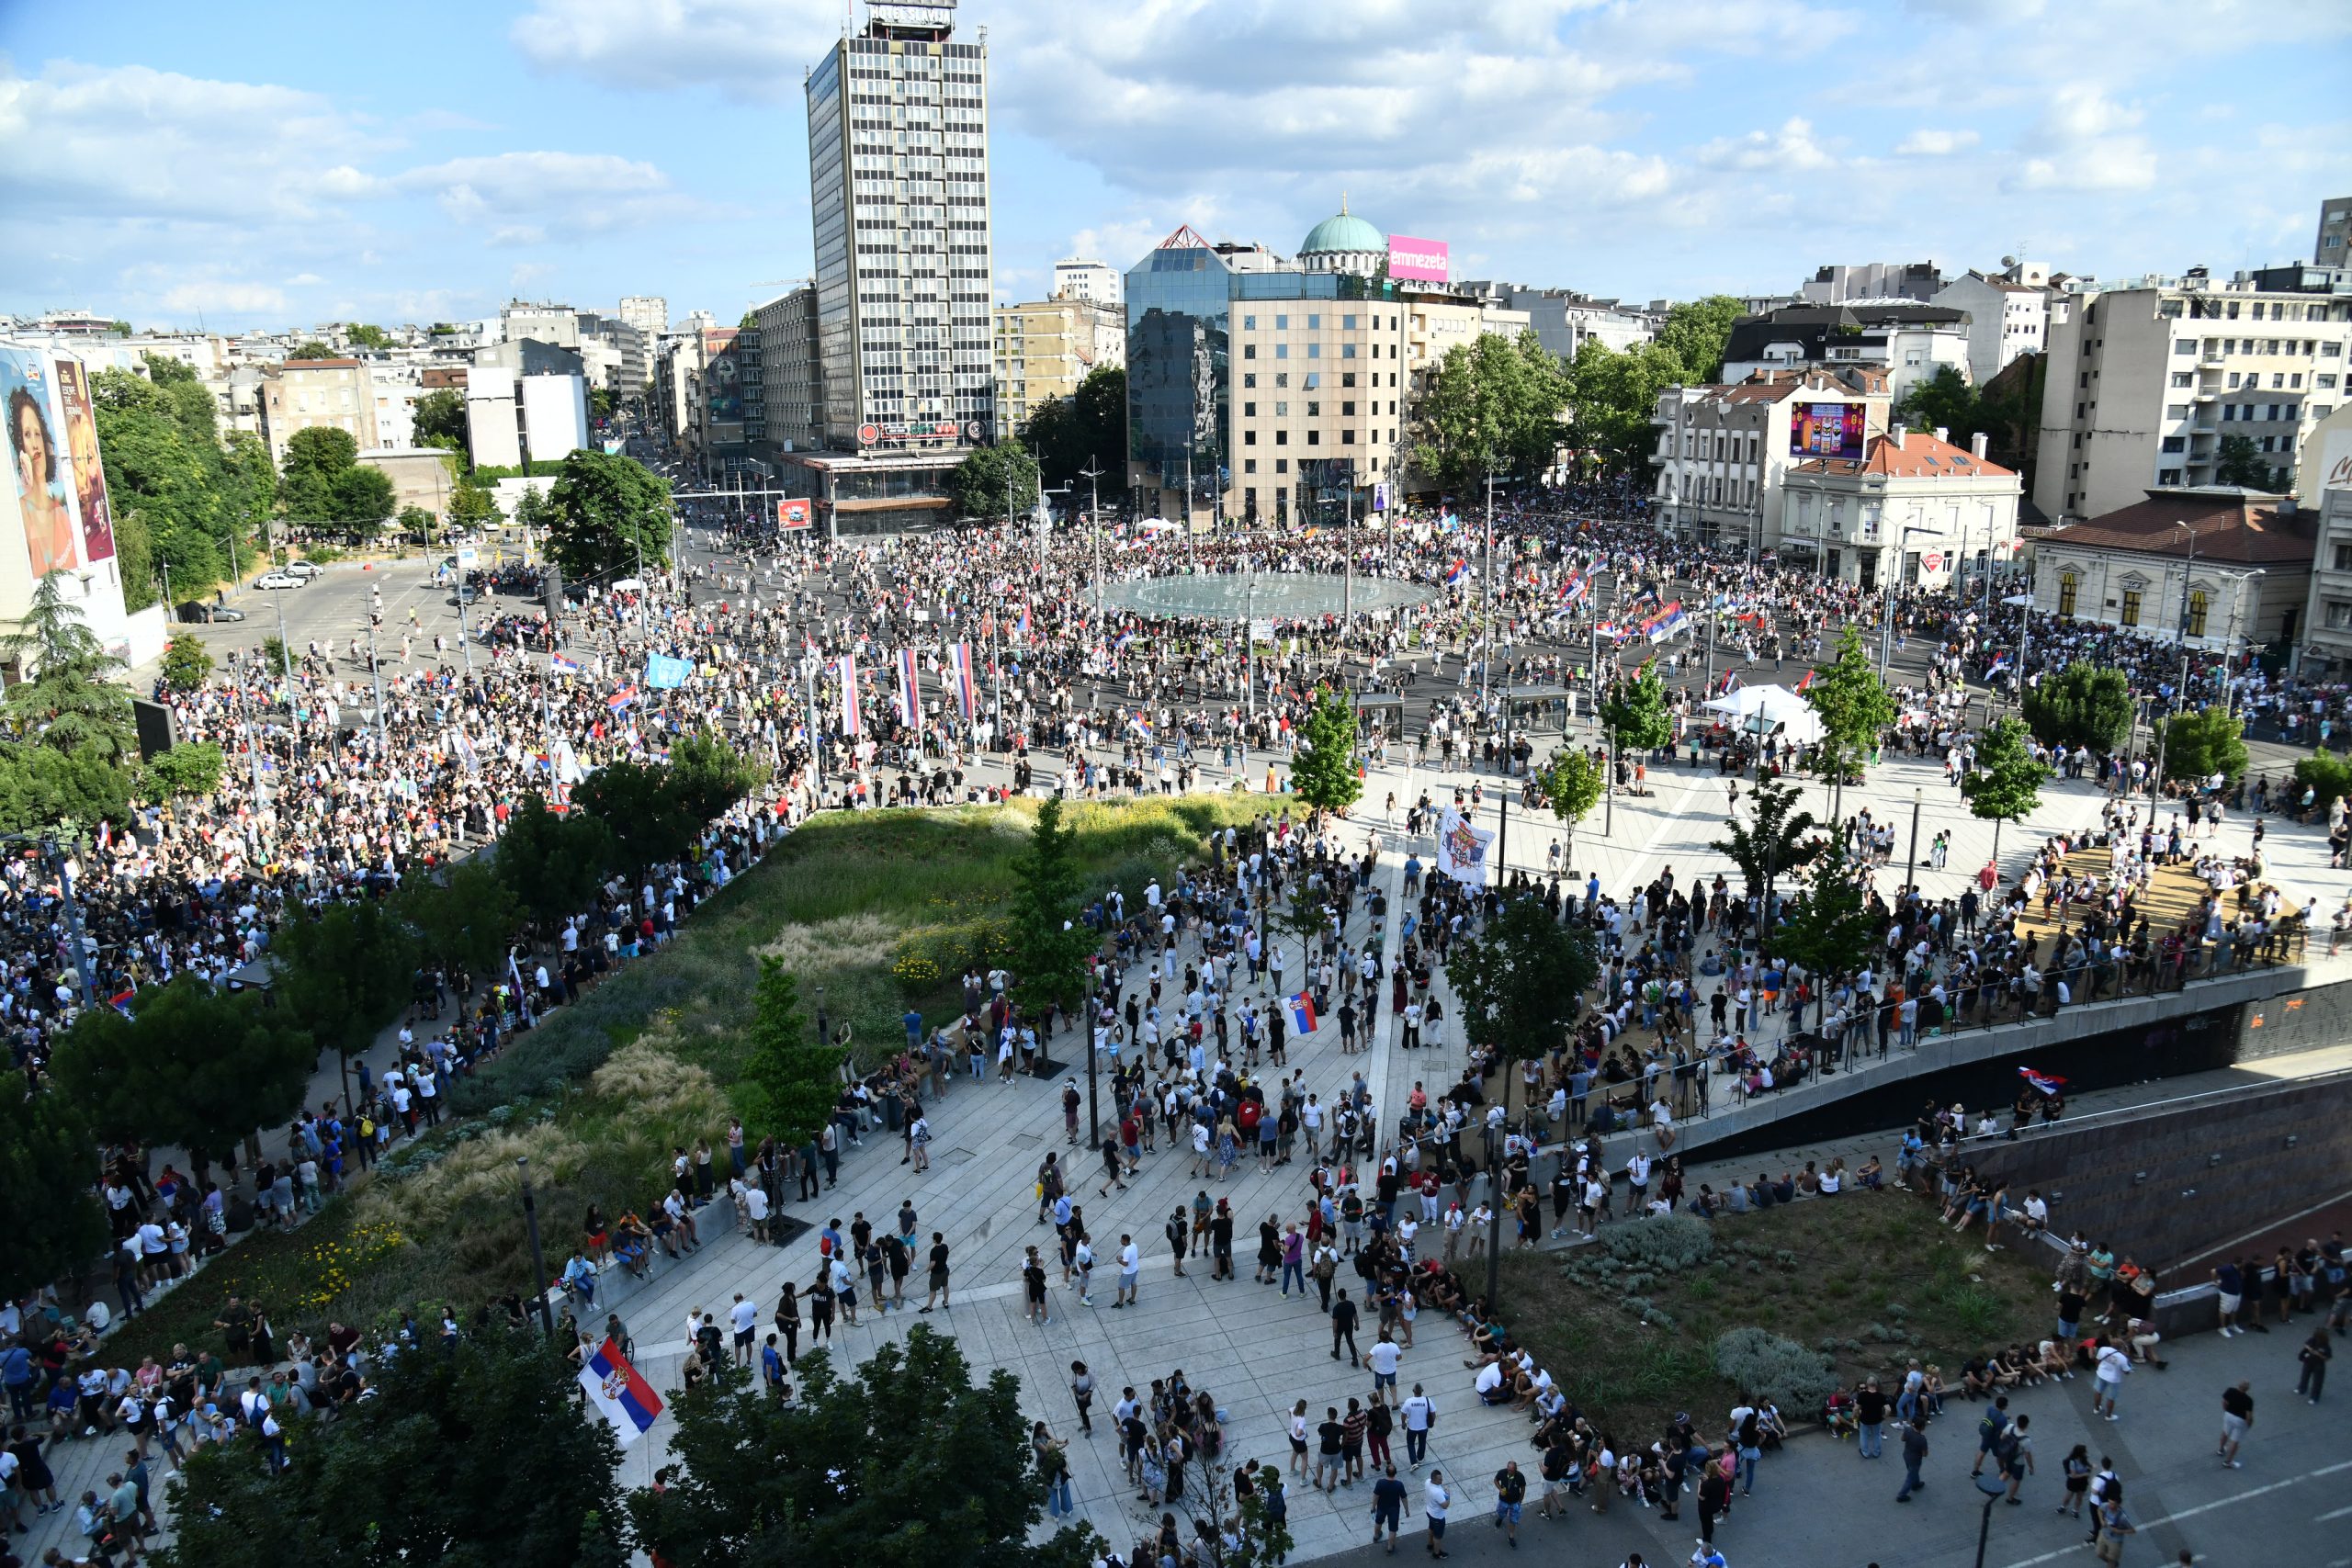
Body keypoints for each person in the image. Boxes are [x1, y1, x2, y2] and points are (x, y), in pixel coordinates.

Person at [1372, 1462, 1411, 1552]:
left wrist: (1373, 1507)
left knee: (1378, 1521)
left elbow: (1376, 1496)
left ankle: (1376, 1536)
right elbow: (1404, 1498)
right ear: (1395, 1473)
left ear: (1386, 1472)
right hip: (1394, 1510)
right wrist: (1407, 1510)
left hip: (1381, 1507)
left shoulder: (1380, 1483)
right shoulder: (1399, 1485)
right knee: (1392, 1529)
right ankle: (1390, 1547)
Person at [2217, 1380, 2252, 1468]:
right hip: (2240, 1420)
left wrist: (2226, 1411)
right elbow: (2248, 1416)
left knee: (2225, 1432)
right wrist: (2248, 1425)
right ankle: (2228, 1461)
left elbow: (2224, 1402)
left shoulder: (2230, 1391)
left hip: (2228, 1415)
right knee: (2235, 1441)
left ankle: (2221, 1450)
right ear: (2247, 1389)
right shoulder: (2248, 1400)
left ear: (2238, 1385)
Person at [1490, 1460, 1525, 1548]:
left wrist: (1520, 1500)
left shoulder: (1520, 1476)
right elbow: (1495, 1480)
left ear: (1515, 1470)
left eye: (1512, 1470)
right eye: (1508, 1469)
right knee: (1501, 1512)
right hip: (1503, 1501)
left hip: (1514, 1502)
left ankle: (1511, 1536)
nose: (1509, 1472)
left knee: (1513, 1520)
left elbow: (1523, 1488)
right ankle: (1501, 1518)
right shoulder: (1502, 1473)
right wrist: (1500, 1489)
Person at [1895, 1415, 1928, 1502]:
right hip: (1915, 1460)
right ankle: (1901, 1495)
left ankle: (1916, 1484)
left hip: (1906, 1455)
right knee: (1910, 1476)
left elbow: (1902, 1439)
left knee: (1912, 1471)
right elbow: (1924, 1454)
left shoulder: (1908, 1430)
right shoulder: (1922, 1439)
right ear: (1922, 1427)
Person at [2296, 1323, 2331, 1403]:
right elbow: (2306, 1345)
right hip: (2308, 1361)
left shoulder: (2326, 1346)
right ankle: (2301, 1389)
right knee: (2304, 1376)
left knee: (2317, 1381)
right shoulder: (2312, 1340)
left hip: (2318, 1365)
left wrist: (2319, 1354)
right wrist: (2310, 1349)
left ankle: (2314, 1397)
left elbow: (2327, 1358)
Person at [1422, 1468, 1450, 1559]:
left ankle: (1430, 1545)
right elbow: (1445, 1505)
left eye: (1441, 1478)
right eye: (1439, 1479)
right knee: (1437, 1536)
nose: (1442, 1481)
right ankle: (1437, 1553)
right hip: (1438, 1517)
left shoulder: (1427, 1482)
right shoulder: (1437, 1492)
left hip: (1430, 1512)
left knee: (1431, 1528)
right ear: (1433, 1479)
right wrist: (1448, 1494)